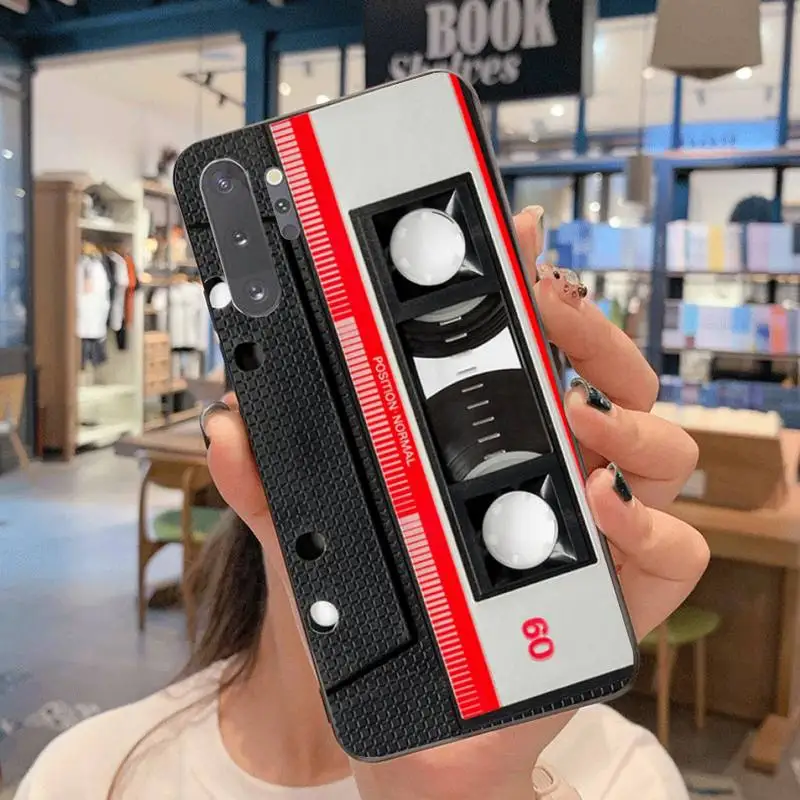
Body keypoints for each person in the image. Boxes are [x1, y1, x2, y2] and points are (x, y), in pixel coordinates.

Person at [15, 206, 707, 799]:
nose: (398, 463)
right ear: (251, 426)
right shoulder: (87, 777)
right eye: (349, 398)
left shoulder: (619, 775)